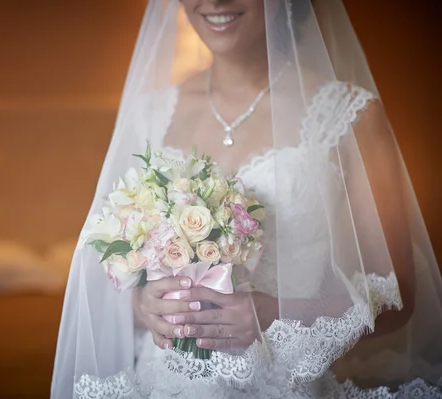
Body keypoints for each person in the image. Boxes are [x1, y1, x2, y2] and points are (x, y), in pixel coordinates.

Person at [52, 0, 442, 397]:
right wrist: (141, 309)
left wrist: (275, 315)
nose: (216, 1)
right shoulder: (149, 112)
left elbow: (397, 298)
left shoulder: (350, 115)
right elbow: (99, 280)